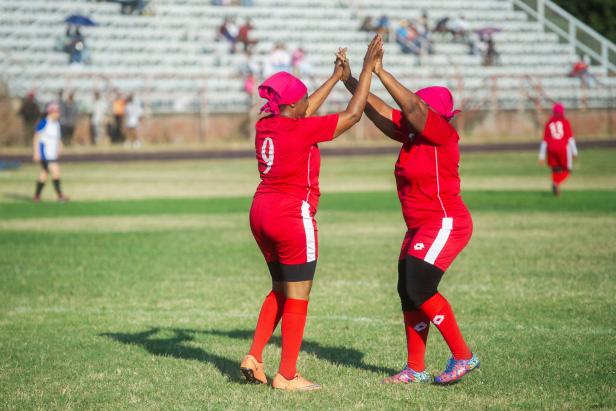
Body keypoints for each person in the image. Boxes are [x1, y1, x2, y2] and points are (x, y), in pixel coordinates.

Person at [240, 36, 383, 391]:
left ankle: (255, 356)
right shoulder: (301, 130)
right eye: (304, 98)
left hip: (261, 212)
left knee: (279, 289)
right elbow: (352, 115)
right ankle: (287, 375)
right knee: (299, 295)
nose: (309, 103)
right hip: (292, 216)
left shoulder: (267, 125)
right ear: (293, 105)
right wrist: (366, 70)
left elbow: (300, 111)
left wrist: (335, 78)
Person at [340, 47, 479, 385]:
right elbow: (380, 112)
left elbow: (412, 107)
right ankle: (415, 368)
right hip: (419, 226)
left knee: (419, 285)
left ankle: (463, 356)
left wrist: (381, 71)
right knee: (408, 289)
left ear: (437, 113)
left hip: (444, 222)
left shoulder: (442, 134)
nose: (414, 108)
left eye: (422, 106)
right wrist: (352, 79)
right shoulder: (414, 134)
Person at [539, 103, 578, 196]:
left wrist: (541, 155)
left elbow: (545, 141)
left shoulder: (549, 123)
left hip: (551, 148)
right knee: (567, 170)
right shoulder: (565, 122)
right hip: (563, 148)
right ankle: (557, 183)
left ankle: (556, 188)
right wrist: (574, 152)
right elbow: (570, 139)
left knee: (555, 169)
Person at [32, 103, 68, 202]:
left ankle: (36, 196)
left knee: (44, 174)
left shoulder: (56, 124)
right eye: (56, 112)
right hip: (45, 153)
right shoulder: (44, 123)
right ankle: (60, 195)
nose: (58, 114)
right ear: (51, 112)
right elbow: (36, 137)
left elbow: (57, 138)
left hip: (52, 153)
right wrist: (36, 152)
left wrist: (60, 146)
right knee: (56, 171)